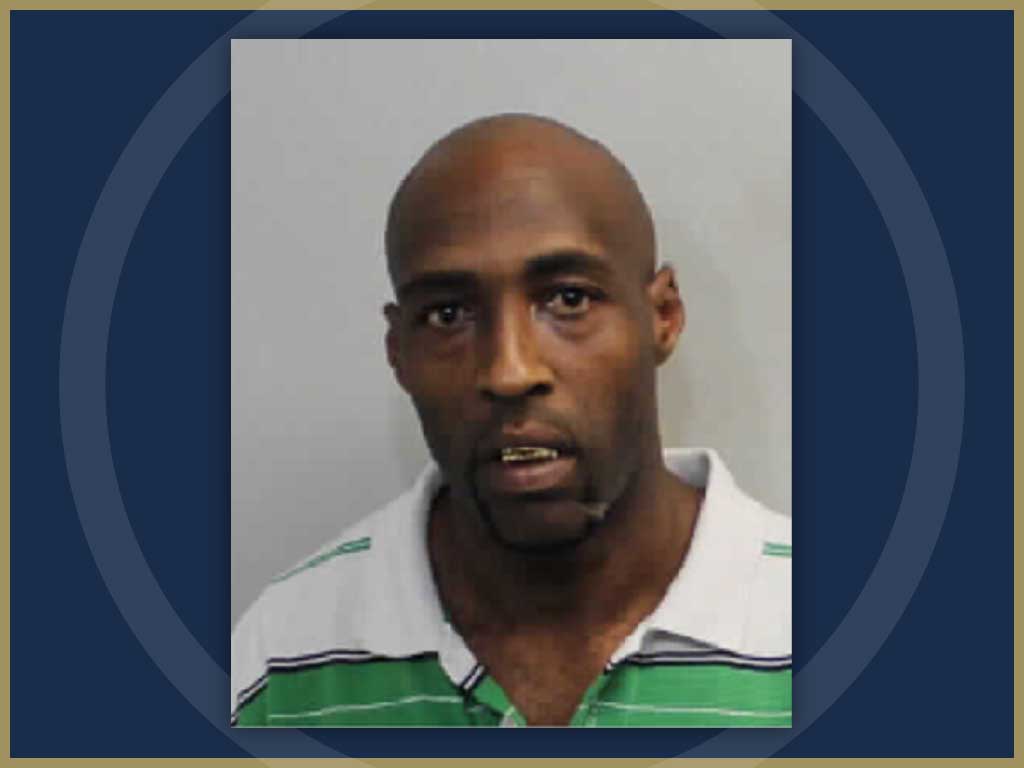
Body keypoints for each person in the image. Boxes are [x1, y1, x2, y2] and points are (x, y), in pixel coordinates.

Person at [231, 114, 791, 727]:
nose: (509, 371)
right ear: (398, 351)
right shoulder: (280, 665)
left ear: (663, 316)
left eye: (569, 299)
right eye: (448, 315)